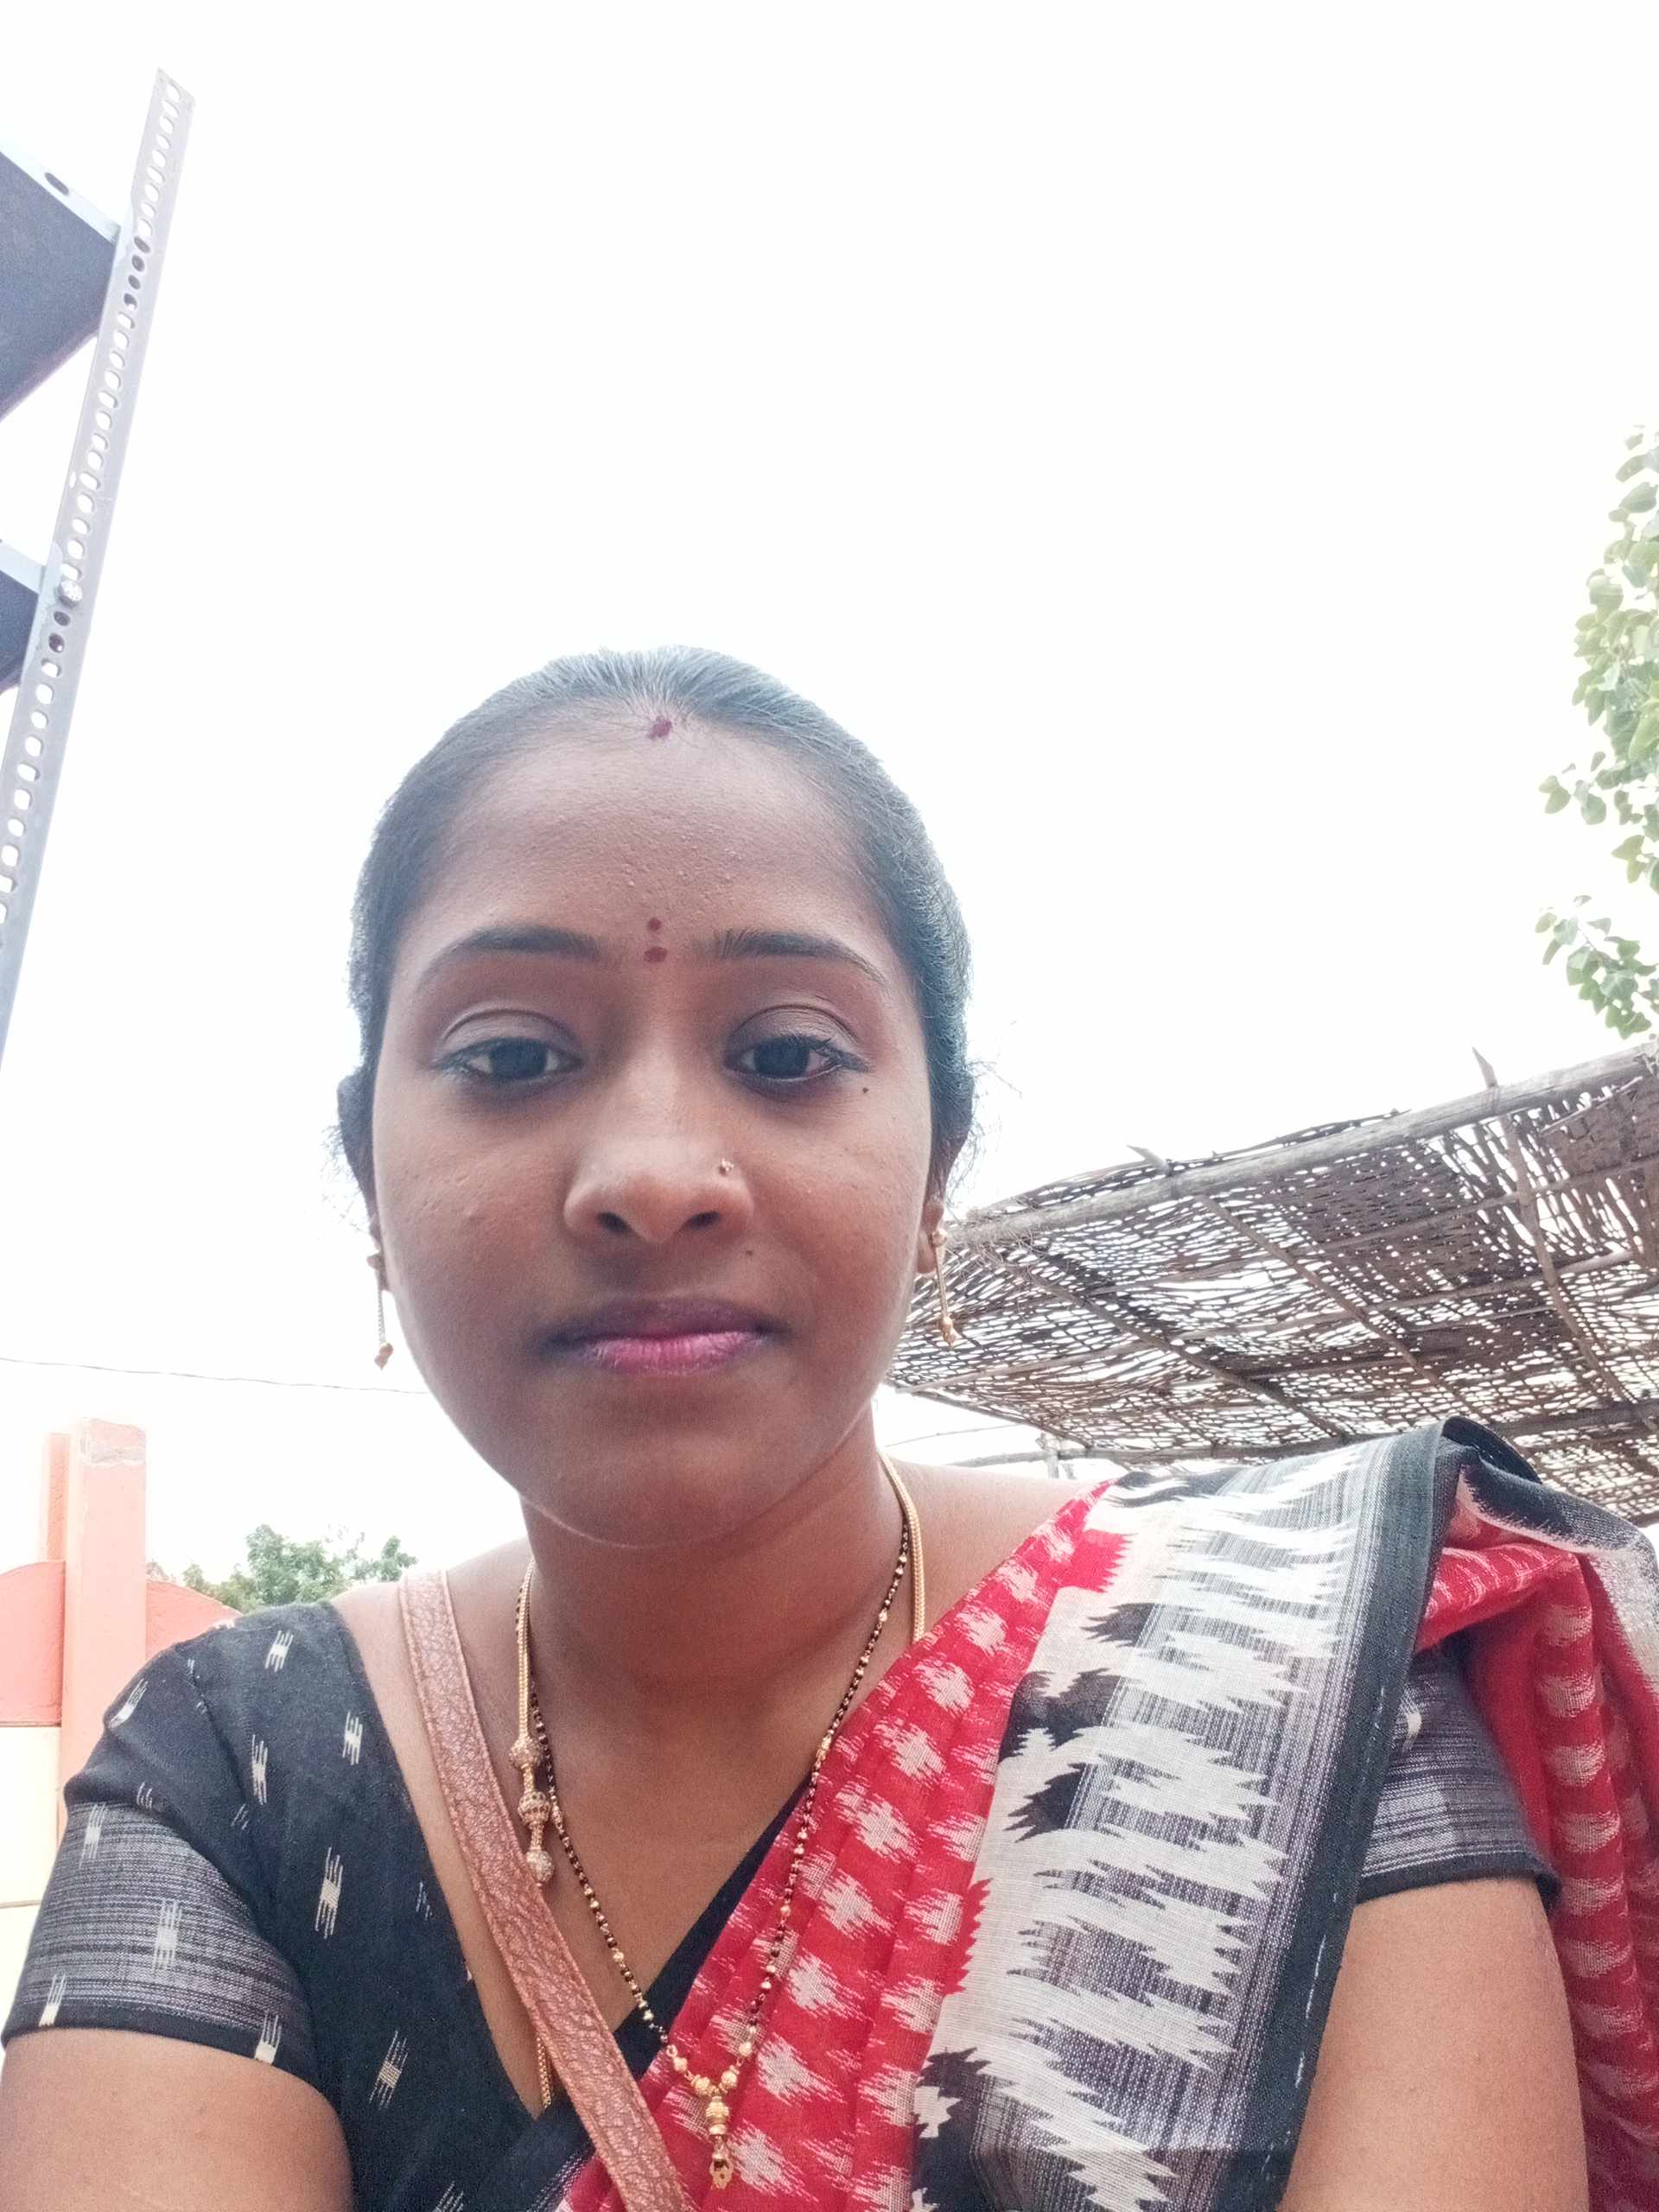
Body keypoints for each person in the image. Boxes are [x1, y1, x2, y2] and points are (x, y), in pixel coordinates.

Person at [2, 647, 1654, 2212]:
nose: (655, 1176)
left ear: (940, 1170)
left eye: (789, 1053)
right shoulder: (242, 1770)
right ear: (369, 1173)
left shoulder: (1298, 1685)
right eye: (510, 1055)